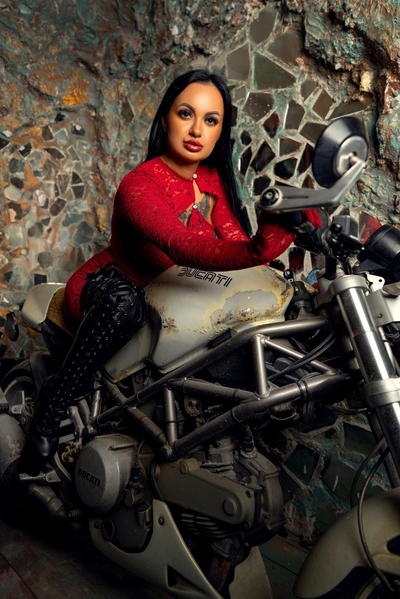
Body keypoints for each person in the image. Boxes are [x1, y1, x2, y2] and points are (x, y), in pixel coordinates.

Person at [19, 69, 321, 475]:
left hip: (173, 293)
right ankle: (53, 404)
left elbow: (232, 237)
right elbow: (182, 245)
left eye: (211, 120)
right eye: (185, 114)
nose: (197, 130)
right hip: (116, 286)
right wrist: (259, 247)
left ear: (221, 131)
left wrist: (283, 242)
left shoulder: (211, 179)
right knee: (124, 306)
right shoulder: (140, 184)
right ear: (165, 119)